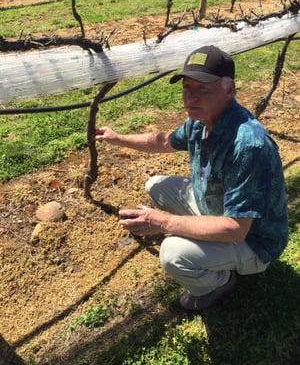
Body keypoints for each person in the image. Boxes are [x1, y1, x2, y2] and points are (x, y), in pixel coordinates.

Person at [95, 45, 288, 312]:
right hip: (214, 203)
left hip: (254, 241)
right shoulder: (200, 122)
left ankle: (218, 283)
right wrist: (117, 138)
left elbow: (236, 228)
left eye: (203, 89)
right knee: (156, 185)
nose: (191, 98)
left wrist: (164, 222)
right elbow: (162, 141)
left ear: (229, 90)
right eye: (187, 88)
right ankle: (201, 234)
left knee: (173, 253)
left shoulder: (247, 146)